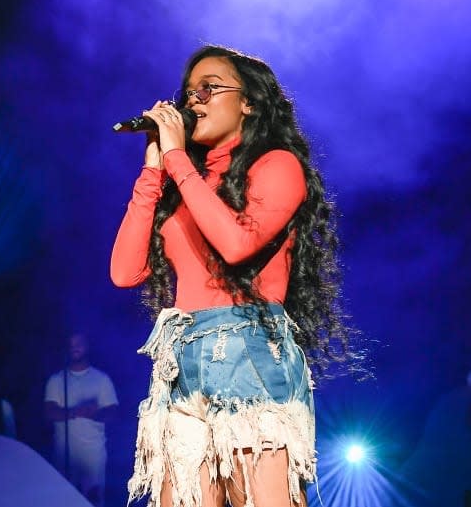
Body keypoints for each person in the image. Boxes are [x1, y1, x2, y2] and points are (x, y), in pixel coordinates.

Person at [110, 44, 363, 507]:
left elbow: (237, 245)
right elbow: (125, 272)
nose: (194, 101)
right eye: (189, 93)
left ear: (249, 102)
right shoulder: (186, 182)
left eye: (209, 89)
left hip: (249, 359)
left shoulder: (278, 166)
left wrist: (178, 162)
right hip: (180, 367)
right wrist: (153, 169)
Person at [44, 330, 119, 507]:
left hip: (93, 459)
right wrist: (78, 411)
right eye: (71, 344)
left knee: (91, 503)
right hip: (64, 458)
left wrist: (93, 413)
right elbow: (49, 412)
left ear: (87, 346)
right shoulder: (56, 380)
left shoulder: (101, 379)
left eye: (79, 343)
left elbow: (113, 414)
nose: (74, 348)